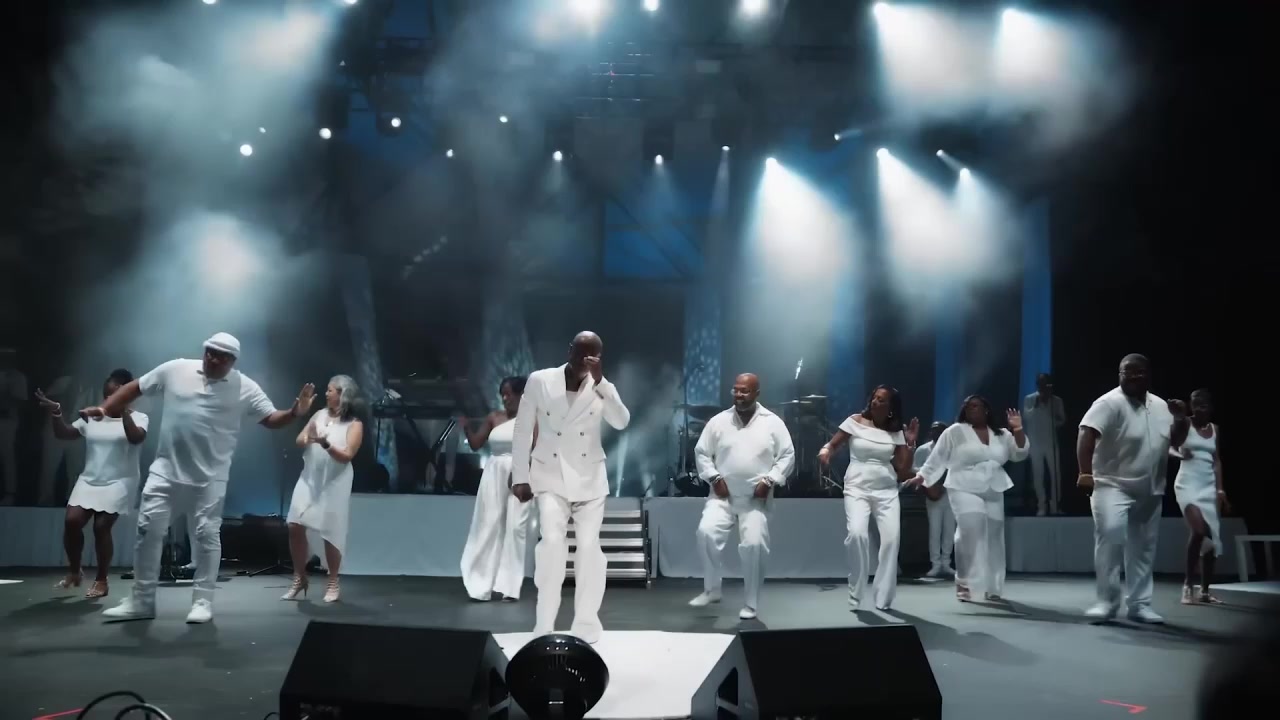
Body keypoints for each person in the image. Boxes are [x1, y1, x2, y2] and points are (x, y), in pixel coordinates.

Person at [82, 333, 315, 624]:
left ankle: (202, 601)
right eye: (209, 352)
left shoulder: (244, 387)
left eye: (221, 356)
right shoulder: (176, 369)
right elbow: (135, 387)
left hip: (210, 478)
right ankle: (141, 601)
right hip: (165, 472)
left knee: (206, 536)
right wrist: (105, 409)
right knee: (147, 531)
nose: (212, 359)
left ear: (232, 361)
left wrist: (294, 412)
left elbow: (270, 418)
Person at [511, 331, 630, 644]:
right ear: (569, 351)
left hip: (590, 478)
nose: (584, 360)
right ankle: (543, 622)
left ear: (599, 358)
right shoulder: (540, 380)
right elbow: (523, 429)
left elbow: (621, 421)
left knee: (589, 550)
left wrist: (601, 381)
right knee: (551, 544)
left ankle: (586, 623)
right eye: (580, 353)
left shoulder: (601, 386)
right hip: (549, 475)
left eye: (592, 356)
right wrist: (520, 475)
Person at [1077, 353, 1188, 624]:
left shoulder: (1160, 405)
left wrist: (1180, 419)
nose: (1133, 376)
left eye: (1139, 372)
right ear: (1119, 374)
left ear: (1148, 374)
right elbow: (1086, 433)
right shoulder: (1108, 403)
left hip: (1150, 487)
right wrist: (1085, 473)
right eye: (1127, 372)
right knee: (1112, 536)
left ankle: (1139, 604)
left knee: (1144, 549)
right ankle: (1106, 601)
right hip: (1111, 484)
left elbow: (1175, 440)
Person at [688, 373, 795, 620]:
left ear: (757, 393)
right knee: (706, 533)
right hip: (722, 495)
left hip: (754, 498)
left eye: (744, 391)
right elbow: (701, 452)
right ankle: (712, 589)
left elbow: (787, 455)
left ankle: (751, 603)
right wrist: (714, 478)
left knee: (754, 546)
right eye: (735, 390)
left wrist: (770, 480)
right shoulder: (719, 421)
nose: (738, 395)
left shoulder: (772, 422)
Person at [35, 369, 148, 598]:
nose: (108, 399)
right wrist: (57, 412)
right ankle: (75, 571)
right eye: (106, 395)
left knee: (101, 527)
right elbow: (65, 434)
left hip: (120, 480)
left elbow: (136, 438)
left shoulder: (139, 417)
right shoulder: (93, 417)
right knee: (72, 522)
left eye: (114, 395)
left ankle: (102, 580)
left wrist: (122, 411)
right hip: (89, 479)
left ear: (127, 395)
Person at [907, 397, 1028, 602]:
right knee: (971, 528)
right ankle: (964, 581)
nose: (972, 409)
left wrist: (1018, 429)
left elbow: (1020, 453)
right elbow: (938, 457)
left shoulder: (1002, 434)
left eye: (976, 406)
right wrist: (922, 476)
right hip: (963, 484)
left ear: (986, 410)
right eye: (968, 406)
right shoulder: (955, 431)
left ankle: (992, 585)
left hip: (994, 486)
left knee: (994, 536)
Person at [818, 385, 918, 611]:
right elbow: (833, 445)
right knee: (857, 535)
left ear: (891, 406)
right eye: (874, 398)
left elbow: (903, 470)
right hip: (857, 487)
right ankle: (856, 590)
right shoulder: (855, 421)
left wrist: (910, 443)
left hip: (886, 490)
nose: (875, 402)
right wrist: (825, 453)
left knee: (891, 541)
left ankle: (883, 596)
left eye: (882, 400)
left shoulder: (896, 431)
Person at [282, 375, 364, 604]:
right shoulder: (319, 415)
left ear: (342, 394)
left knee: (330, 529)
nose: (326, 394)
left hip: (335, 481)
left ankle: (333, 580)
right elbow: (300, 440)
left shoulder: (354, 424)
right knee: (294, 524)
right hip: (310, 477)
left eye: (330, 390)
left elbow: (347, 455)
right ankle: (299, 577)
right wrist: (309, 438)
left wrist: (326, 444)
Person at [459, 376, 535, 602]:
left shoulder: (532, 418)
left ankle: (509, 587)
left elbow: (538, 448)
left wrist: (522, 473)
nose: (505, 398)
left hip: (521, 474)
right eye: (503, 394)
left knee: (516, 527)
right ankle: (481, 582)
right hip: (494, 474)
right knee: (489, 525)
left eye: (509, 394)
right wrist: (466, 427)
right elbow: (476, 444)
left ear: (522, 395)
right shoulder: (494, 417)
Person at [1172, 389, 1227, 605]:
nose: (1199, 409)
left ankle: (1204, 591)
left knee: (1211, 540)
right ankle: (1188, 585)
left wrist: (1220, 489)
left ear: (1210, 407)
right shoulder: (1185, 423)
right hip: (1187, 484)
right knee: (1198, 531)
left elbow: (1216, 460)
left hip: (1208, 487)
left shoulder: (1215, 429)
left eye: (1203, 405)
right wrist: (1180, 454)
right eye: (1195, 405)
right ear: (1191, 406)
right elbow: (1168, 447)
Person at [38, 372, 95, 506]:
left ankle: (72, 501)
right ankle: (45, 499)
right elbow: (48, 401)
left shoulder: (93, 391)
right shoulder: (64, 381)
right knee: (49, 467)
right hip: (54, 432)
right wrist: (63, 403)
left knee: (75, 469)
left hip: (76, 433)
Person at [913, 422, 955, 578]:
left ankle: (946, 563)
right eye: (933, 430)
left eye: (940, 430)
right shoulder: (923, 450)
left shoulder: (953, 449)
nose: (936, 433)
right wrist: (932, 482)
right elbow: (915, 468)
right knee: (935, 531)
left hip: (950, 493)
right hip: (933, 494)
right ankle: (935, 564)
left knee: (949, 530)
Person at [1023, 373, 1065, 515]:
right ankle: (1041, 505)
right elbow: (1027, 417)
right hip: (1035, 443)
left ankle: (1055, 506)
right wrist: (1037, 403)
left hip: (1051, 442)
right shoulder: (1029, 399)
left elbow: (1062, 420)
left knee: (1055, 475)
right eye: (1040, 383)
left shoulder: (1056, 401)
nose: (1043, 386)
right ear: (1037, 385)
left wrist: (1053, 417)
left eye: (1046, 383)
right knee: (1038, 475)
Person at [0, 347, 26, 505]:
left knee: (7, 457)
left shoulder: (17, 377)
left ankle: (10, 494)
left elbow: (20, 402)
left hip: (7, 422)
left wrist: (6, 395)